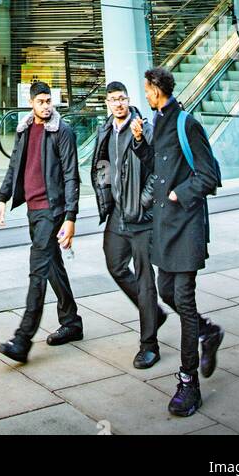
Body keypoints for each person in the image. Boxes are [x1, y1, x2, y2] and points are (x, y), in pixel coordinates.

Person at [141, 66, 224, 417]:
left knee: (184, 303)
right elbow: (156, 166)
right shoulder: (157, 121)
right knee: (166, 292)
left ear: (157, 88)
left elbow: (210, 174)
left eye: (146, 89)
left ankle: (188, 382)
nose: (144, 94)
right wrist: (137, 142)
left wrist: (179, 193)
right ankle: (209, 332)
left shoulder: (186, 123)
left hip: (186, 226)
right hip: (164, 227)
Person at [0, 80, 80, 363]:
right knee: (52, 264)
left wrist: (70, 217)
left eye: (49, 101)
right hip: (33, 208)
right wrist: (2, 197)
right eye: (41, 101)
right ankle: (72, 322)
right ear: (31, 103)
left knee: (37, 271)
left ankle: (23, 338)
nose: (46, 106)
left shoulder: (62, 131)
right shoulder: (24, 130)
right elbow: (14, 165)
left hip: (51, 209)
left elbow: (71, 175)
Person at [91, 80, 167, 368]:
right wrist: (105, 193)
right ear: (107, 103)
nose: (118, 104)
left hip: (141, 217)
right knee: (115, 264)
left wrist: (145, 201)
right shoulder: (106, 130)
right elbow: (102, 165)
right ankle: (154, 314)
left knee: (146, 280)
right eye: (113, 99)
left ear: (128, 100)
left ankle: (149, 345)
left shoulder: (143, 128)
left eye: (122, 98)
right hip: (118, 214)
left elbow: (158, 169)